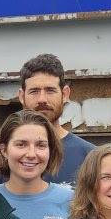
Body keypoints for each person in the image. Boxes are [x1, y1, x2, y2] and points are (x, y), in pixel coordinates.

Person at [19, 52, 98, 185]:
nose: (42, 99)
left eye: (50, 90)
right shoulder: (6, 158)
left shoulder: (91, 157)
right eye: (34, 91)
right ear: (21, 96)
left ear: (65, 94)